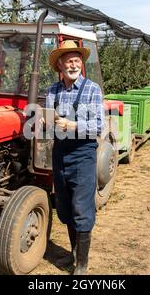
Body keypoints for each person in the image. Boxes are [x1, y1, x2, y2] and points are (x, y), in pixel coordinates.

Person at [45, 40, 104, 275]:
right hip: (60, 153)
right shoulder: (52, 91)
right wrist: (44, 123)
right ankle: (73, 252)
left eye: (77, 60)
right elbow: (50, 127)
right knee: (66, 207)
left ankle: (82, 264)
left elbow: (99, 125)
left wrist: (73, 125)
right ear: (60, 64)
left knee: (82, 207)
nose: (74, 64)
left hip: (83, 154)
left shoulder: (92, 89)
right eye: (69, 60)